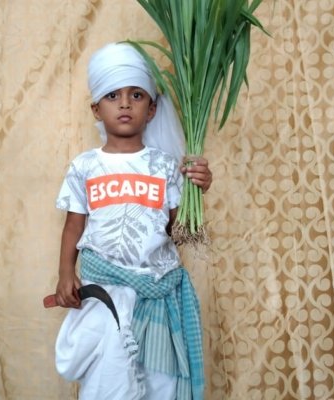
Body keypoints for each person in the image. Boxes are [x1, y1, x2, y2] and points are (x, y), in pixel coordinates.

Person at [53, 42, 212, 400]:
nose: (124, 103)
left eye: (136, 95)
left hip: (157, 293)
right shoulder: (85, 166)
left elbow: (177, 232)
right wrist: (65, 273)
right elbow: (74, 226)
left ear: (151, 109)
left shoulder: (164, 166)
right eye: (112, 95)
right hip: (105, 292)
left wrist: (197, 191)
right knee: (108, 381)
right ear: (96, 109)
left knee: (159, 382)